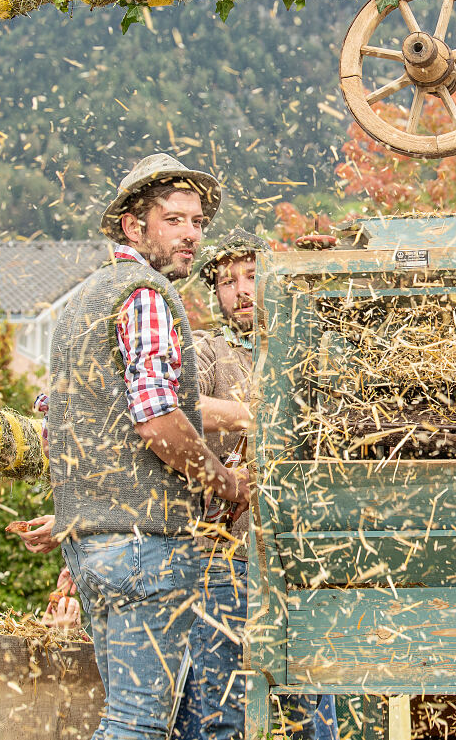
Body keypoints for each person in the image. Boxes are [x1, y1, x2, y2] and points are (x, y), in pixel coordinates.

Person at [47, 152, 250, 740]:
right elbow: (158, 421)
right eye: (174, 220)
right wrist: (225, 481)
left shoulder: (81, 301)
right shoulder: (145, 295)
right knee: (138, 726)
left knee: (123, 718)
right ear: (134, 226)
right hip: (143, 546)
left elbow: (57, 423)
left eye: (196, 222)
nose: (191, 235)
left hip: (92, 544)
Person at [172, 229, 336, 740]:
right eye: (227, 281)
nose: (242, 290)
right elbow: (176, 409)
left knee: (310, 710)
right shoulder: (207, 351)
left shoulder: (310, 343)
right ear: (214, 293)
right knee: (220, 710)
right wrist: (255, 416)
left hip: (301, 557)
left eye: (252, 275)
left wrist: (327, 271)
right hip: (225, 559)